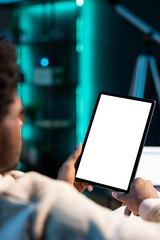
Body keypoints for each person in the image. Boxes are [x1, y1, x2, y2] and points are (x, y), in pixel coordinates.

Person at [0, 39, 160, 240]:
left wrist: (65, 192)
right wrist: (149, 203)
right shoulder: (41, 213)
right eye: (18, 115)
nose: (21, 124)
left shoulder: (16, 189)